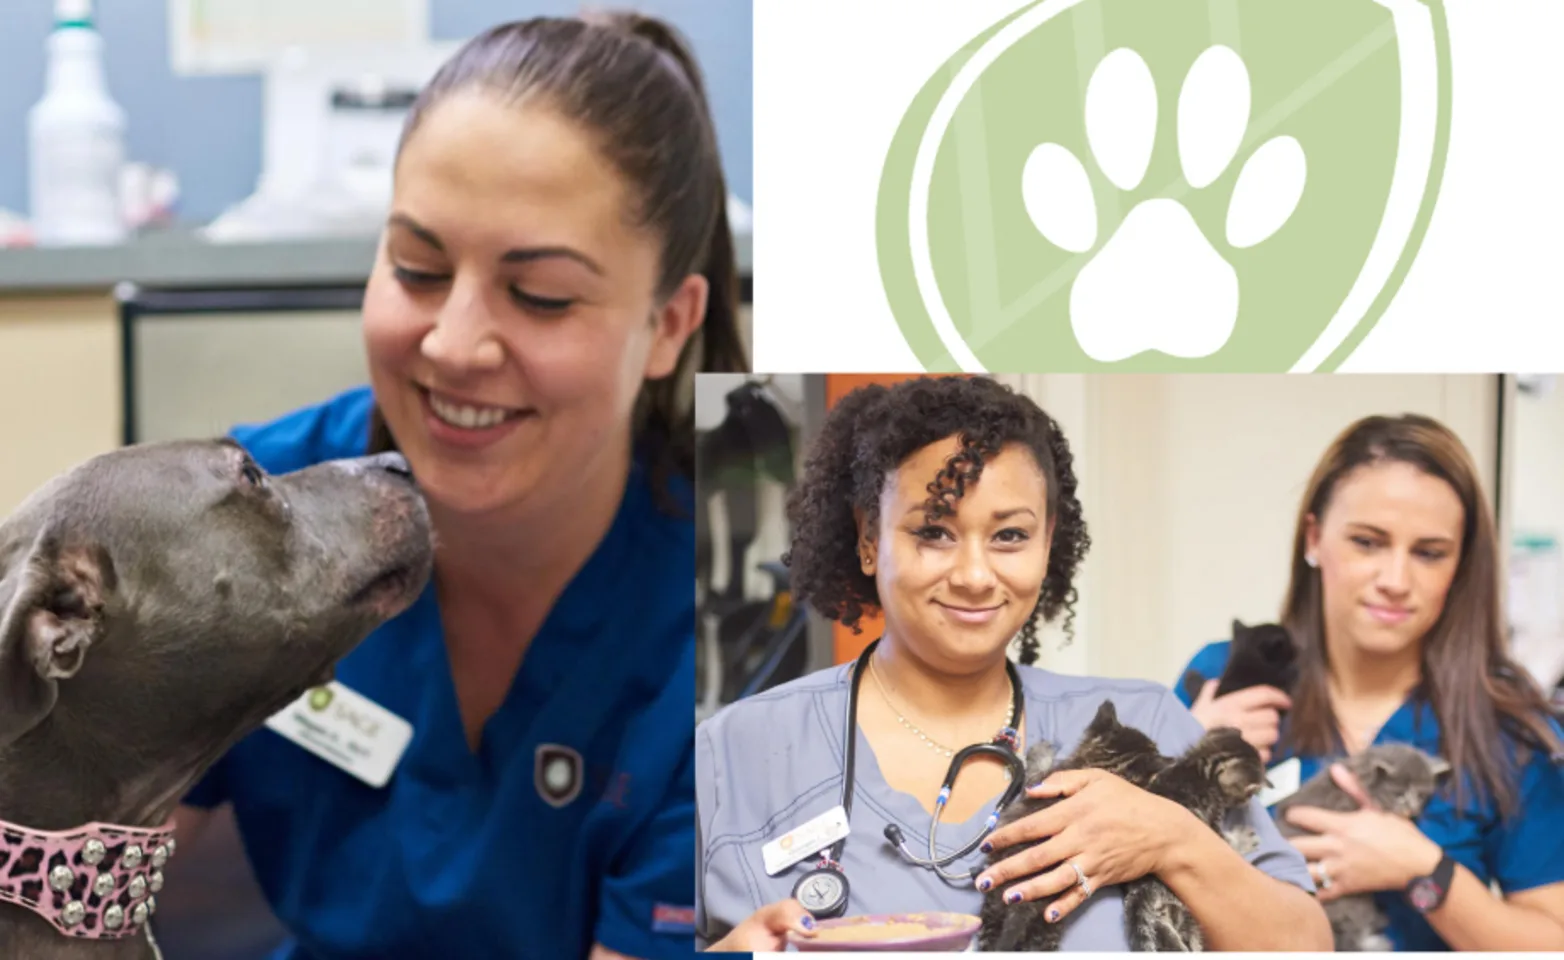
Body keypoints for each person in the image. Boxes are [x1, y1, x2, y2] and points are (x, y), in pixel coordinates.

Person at [169, 13, 746, 960]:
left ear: (671, 324)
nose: (453, 343)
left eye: (543, 296)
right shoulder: (240, 519)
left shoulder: (746, 614)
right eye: (418, 269)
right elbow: (64, 866)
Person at [695, 377, 1331, 952]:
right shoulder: (731, 756)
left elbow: (1306, 944)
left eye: (1009, 536)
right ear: (868, 538)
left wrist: (1173, 839)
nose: (974, 575)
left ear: (1048, 540)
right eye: (933, 532)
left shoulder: (1145, 725)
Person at [1176, 414, 1564, 950]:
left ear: (1460, 565)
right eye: (1367, 542)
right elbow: (1135, 880)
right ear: (1315, 538)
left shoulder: (1513, 734)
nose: (1396, 581)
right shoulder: (1226, 681)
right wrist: (1180, 763)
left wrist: (1423, 872)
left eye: (1429, 553)